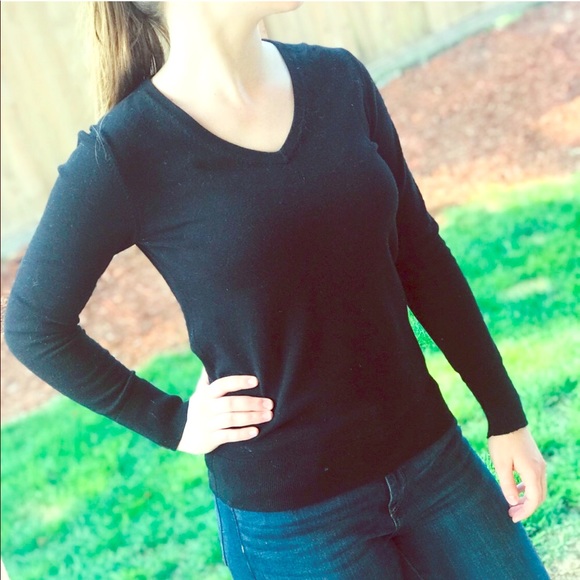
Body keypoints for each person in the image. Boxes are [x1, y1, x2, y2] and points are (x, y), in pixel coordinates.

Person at [4, 2, 549, 579]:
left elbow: (420, 253)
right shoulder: (123, 153)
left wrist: (504, 414)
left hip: (432, 459)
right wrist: (171, 421)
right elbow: (34, 325)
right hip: (294, 522)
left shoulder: (338, 79)